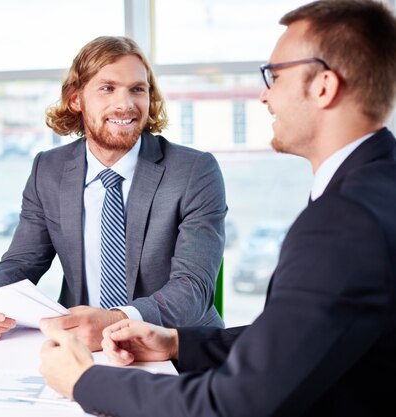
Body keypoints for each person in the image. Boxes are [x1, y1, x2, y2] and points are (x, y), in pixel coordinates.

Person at [38, 1, 396, 415]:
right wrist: (177, 342)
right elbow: (300, 336)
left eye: (275, 76)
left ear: (324, 87)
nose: (264, 95)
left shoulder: (343, 221)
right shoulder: (374, 189)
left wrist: (85, 381)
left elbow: (231, 403)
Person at [0, 36, 226, 350]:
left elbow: (192, 289)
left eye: (137, 89)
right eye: (107, 88)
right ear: (76, 99)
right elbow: (22, 262)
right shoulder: (49, 169)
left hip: (175, 347)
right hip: (81, 345)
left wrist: (116, 320)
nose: (125, 104)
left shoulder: (194, 171)